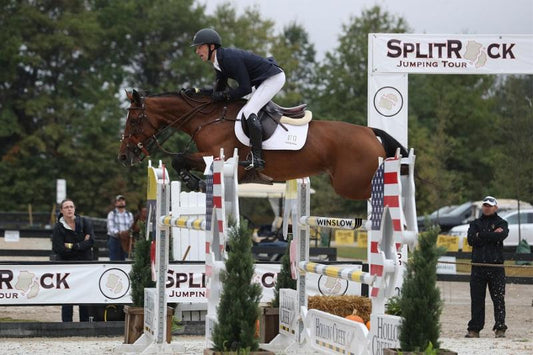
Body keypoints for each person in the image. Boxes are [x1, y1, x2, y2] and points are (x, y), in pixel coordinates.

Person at [190, 28, 286, 171]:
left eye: (200, 47)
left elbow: (245, 89)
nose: (197, 51)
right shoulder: (219, 62)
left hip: (273, 78)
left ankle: (258, 158)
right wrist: (197, 92)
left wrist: (223, 96)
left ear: (211, 47)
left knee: (249, 110)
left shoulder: (228, 58)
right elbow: (218, 91)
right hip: (259, 82)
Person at [465, 196, 509, 338]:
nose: (487, 207)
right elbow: (471, 239)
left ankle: (500, 327)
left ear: (495, 207)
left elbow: (501, 236)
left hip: (496, 267)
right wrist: (490, 235)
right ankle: (474, 329)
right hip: (478, 267)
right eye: (485, 205)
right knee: (477, 299)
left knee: (498, 298)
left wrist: (481, 236)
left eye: (490, 205)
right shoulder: (475, 223)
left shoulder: (502, 222)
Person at [52, 198, 94, 322]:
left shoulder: (85, 222)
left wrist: (71, 246)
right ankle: (66, 324)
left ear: (74, 209)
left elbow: (91, 241)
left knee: (84, 296)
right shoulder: (58, 227)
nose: (69, 209)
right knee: (67, 297)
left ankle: (85, 324)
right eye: (66, 207)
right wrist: (81, 245)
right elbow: (59, 249)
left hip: (84, 266)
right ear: (62, 211)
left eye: (71, 206)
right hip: (67, 267)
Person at [106, 194, 134, 260]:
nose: (121, 202)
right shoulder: (112, 214)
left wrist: (127, 233)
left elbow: (131, 227)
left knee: (125, 260)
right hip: (115, 239)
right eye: (119, 201)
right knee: (114, 260)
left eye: (123, 200)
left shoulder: (129, 214)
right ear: (115, 203)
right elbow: (110, 228)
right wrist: (120, 233)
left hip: (126, 240)